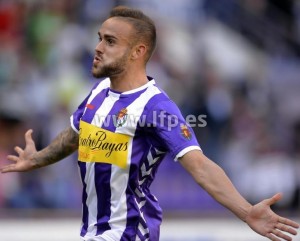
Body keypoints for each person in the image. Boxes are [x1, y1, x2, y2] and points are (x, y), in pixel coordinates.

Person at [1, 6, 299, 241]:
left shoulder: (157, 108)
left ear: (138, 52)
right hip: (95, 233)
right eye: (99, 38)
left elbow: (200, 165)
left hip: (131, 235)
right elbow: (76, 133)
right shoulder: (99, 92)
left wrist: (247, 212)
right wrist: (38, 158)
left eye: (110, 41)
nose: (98, 47)